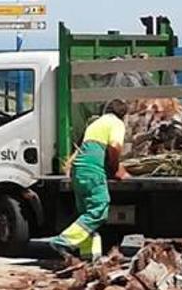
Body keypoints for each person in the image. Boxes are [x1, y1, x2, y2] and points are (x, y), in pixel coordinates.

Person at [49, 99, 129, 262]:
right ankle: (62, 241)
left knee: (85, 216)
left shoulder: (96, 123)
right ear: (123, 115)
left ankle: (88, 257)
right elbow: (114, 146)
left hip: (79, 171)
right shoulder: (116, 123)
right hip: (92, 170)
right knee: (99, 210)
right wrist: (114, 169)